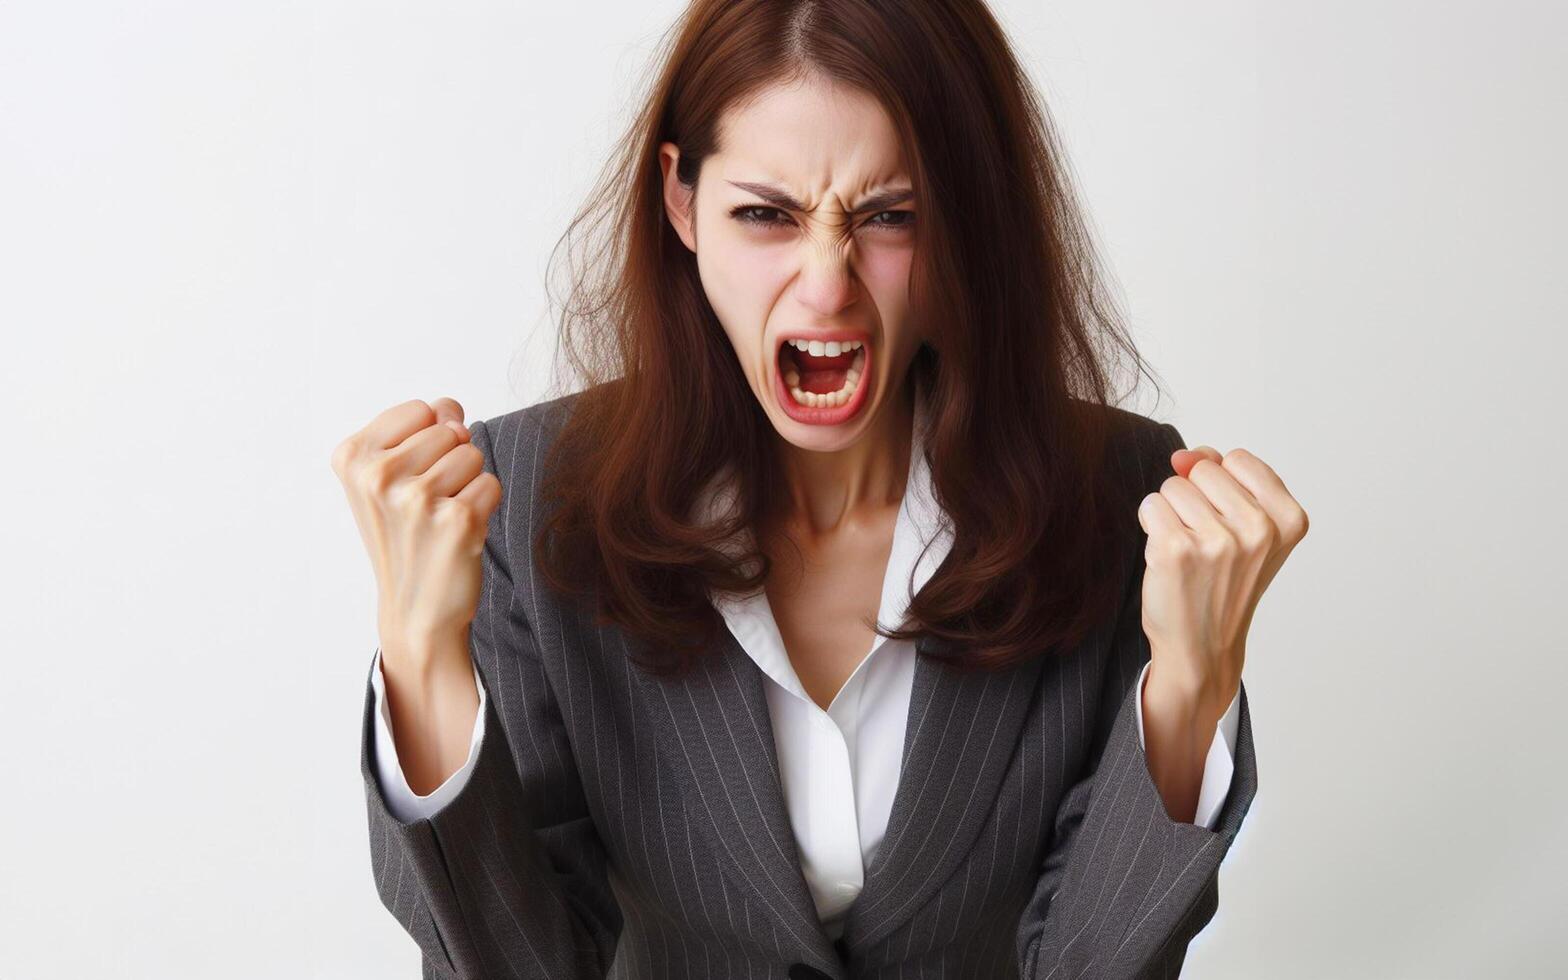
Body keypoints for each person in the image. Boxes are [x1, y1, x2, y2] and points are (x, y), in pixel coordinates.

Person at [330, 1, 1309, 976]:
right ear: (680, 202)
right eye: (765, 214)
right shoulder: (527, 505)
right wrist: (421, 659)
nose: (826, 284)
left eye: (889, 216)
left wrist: (1187, 686)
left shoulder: (1119, 497)